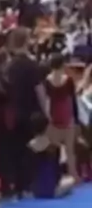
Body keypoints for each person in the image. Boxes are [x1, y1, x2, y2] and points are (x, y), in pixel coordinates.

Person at [6, 27, 48, 198]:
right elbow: (40, 90)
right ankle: (29, 183)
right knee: (31, 149)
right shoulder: (31, 65)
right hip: (31, 111)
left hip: (14, 111)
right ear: (25, 41)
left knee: (16, 149)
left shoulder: (9, 65)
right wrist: (46, 111)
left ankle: (17, 186)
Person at [45, 54, 79, 182]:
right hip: (67, 116)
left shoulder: (47, 81)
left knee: (54, 151)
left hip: (54, 117)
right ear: (62, 65)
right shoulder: (68, 80)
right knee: (70, 150)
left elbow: (47, 101)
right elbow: (73, 100)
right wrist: (76, 119)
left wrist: (47, 118)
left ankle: (54, 175)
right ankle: (73, 175)